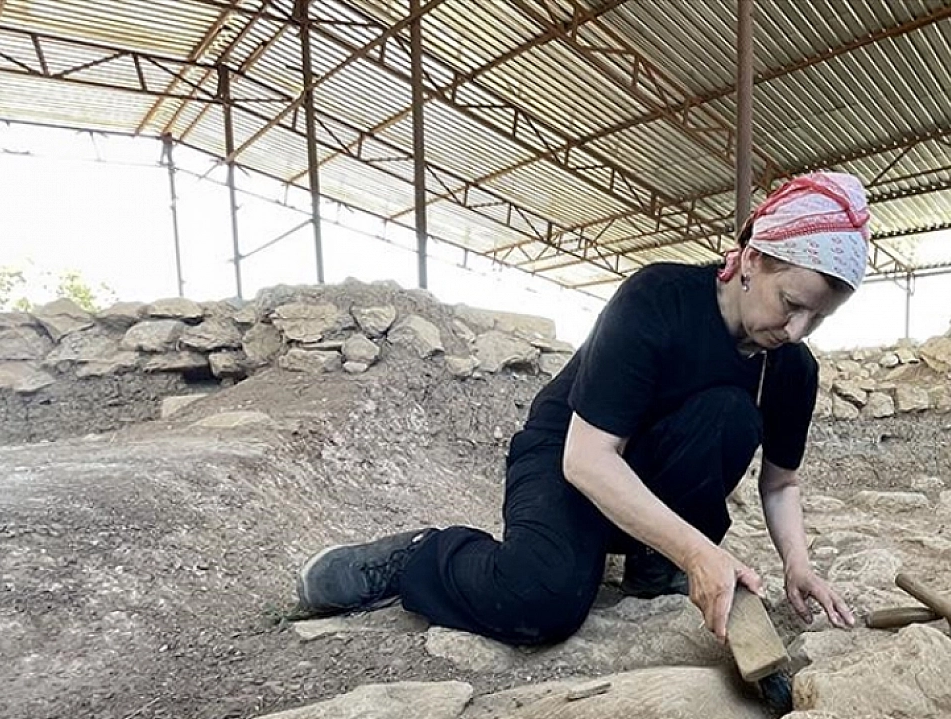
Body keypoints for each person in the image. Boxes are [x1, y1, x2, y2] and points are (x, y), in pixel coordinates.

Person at [295, 171, 868, 645]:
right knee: (540, 605)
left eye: (818, 318)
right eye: (791, 304)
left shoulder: (793, 367)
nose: (797, 330)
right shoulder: (658, 299)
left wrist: (798, 564)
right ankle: (419, 558)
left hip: (646, 482)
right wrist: (699, 551)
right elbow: (588, 458)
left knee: (731, 414)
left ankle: (653, 562)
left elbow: (780, 484)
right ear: (751, 259)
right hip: (567, 455)